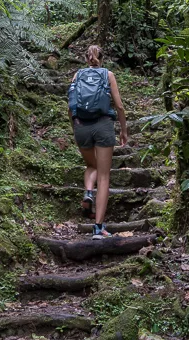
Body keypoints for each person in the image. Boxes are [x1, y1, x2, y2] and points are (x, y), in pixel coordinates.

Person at [68, 45, 128, 238]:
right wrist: (124, 131)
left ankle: (87, 191)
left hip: (81, 126)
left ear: (86, 59)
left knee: (90, 165)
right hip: (103, 126)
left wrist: (75, 128)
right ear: (102, 58)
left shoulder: (77, 75)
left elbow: (71, 104)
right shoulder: (107, 74)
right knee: (103, 176)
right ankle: (98, 228)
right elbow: (119, 106)